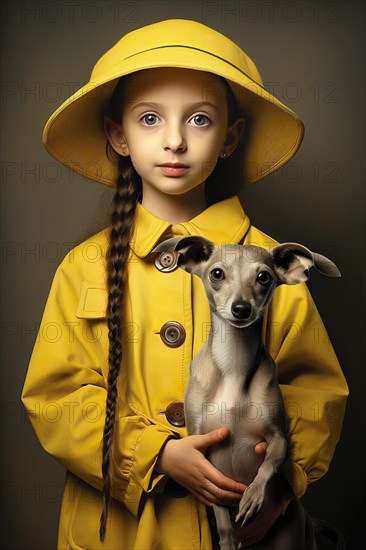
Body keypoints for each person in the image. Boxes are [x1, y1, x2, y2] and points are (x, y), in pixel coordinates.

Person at [21, 19, 348, 550]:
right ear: (118, 135)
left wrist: (281, 489)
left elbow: (316, 390)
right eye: (150, 119)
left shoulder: (266, 263)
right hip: (124, 533)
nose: (174, 140)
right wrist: (154, 454)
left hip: (248, 529)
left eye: (199, 119)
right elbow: (54, 397)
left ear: (230, 138)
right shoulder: (84, 266)